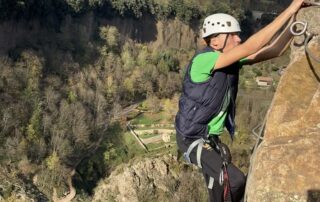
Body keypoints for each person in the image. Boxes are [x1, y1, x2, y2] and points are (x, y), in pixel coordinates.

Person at [175, 1, 306, 201]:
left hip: (208, 138)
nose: (239, 38)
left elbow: (273, 51)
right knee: (235, 181)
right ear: (216, 42)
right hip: (192, 138)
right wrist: (291, 8)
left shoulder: (229, 60)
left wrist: (294, 25)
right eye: (233, 35)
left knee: (219, 191)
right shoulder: (204, 60)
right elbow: (253, 46)